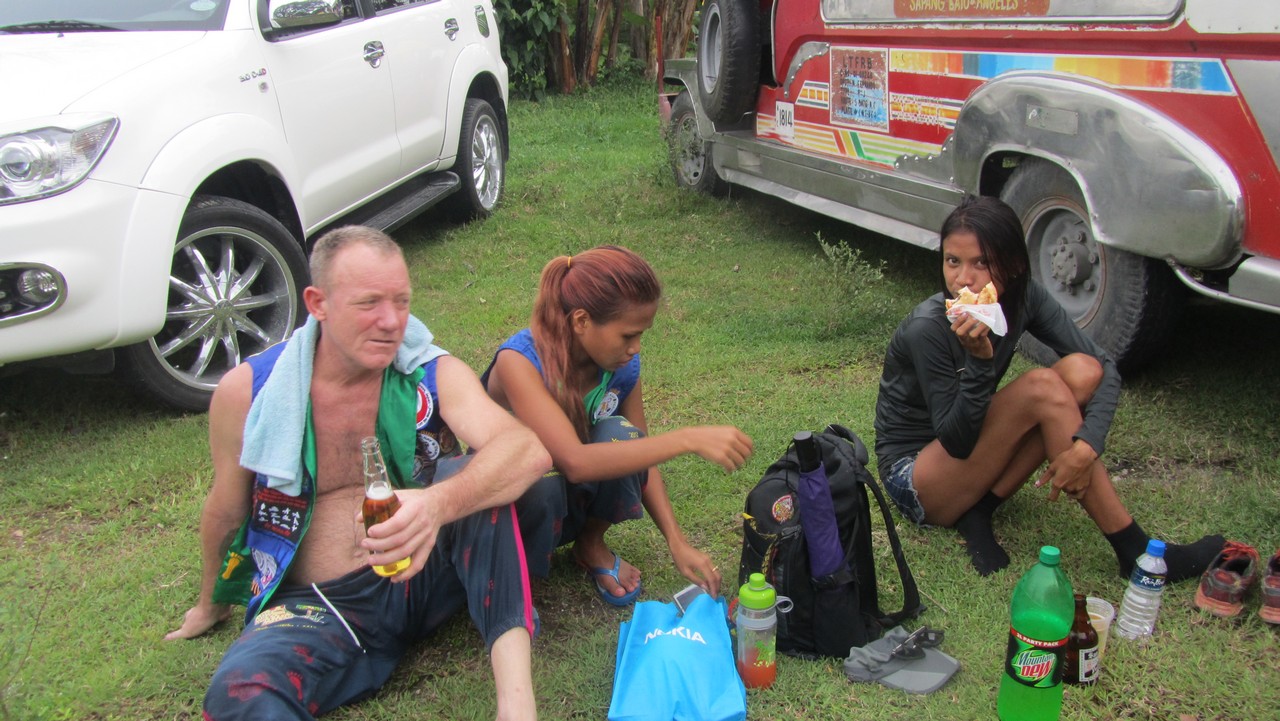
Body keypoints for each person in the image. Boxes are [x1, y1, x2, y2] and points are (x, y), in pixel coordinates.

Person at [165, 226, 551, 721]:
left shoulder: (430, 372)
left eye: (402, 302)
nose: (391, 322)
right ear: (318, 303)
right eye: (369, 303)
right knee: (239, 692)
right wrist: (211, 603)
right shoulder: (250, 393)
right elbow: (227, 507)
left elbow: (526, 450)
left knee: (475, 479)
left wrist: (436, 505)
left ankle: (517, 707)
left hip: (424, 572)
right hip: (321, 606)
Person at [874, 195, 1222, 580]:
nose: (963, 279)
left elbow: (1104, 368)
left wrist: (1087, 447)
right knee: (1042, 387)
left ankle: (978, 510)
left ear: (1014, 265)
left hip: (968, 455)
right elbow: (956, 441)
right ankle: (1135, 551)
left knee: (1082, 372)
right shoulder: (928, 328)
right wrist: (980, 360)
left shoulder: (1025, 298)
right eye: (953, 261)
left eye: (982, 263)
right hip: (916, 477)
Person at [481, 245, 753, 604]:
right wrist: (687, 439)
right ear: (581, 322)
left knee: (621, 436)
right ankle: (512, 573)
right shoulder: (520, 363)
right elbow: (574, 463)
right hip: (513, 499)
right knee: (544, 484)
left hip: (568, 491)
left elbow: (641, 453)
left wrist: (676, 541)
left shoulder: (620, 367)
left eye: (641, 335)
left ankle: (589, 543)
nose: (636, 347)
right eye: (628, 336)